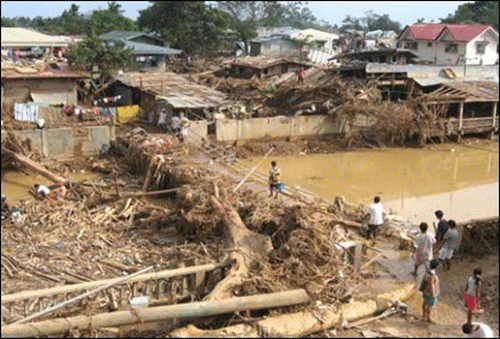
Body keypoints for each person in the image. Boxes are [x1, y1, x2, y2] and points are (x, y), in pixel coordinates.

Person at [421, 259, 440, 323]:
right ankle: (428, 318)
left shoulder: (427, 272)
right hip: (431, 292)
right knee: (429, 306)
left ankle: (423, 315)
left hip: (425, 291)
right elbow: (431, 284)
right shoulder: (432, 275)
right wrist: (433, 294)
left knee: (424, 303)